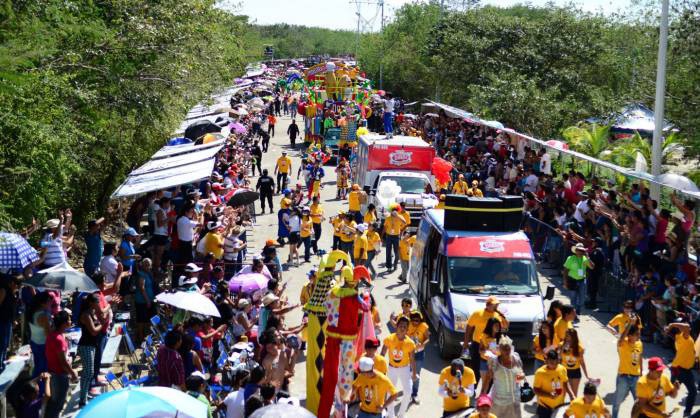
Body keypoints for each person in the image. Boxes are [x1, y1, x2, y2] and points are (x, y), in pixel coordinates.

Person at [463, 296, 509, 384]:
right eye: (494, 305)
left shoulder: (498, 315)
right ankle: (473, 388)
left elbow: (506, 326)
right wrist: (466, 342)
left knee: (491, 369)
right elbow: (469, 327)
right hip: (477, 344)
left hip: (493, 346)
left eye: (497, 305)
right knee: (475, 367)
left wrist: (502, 315)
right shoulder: (478, 313)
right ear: (488, 305)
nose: (496, 306)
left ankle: (486, 393)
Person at [480, 335, 524, 418]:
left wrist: (521, 377)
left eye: (508, 348)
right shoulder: (494, 362)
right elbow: (487, 379)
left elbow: (521, 374)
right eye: (504, 349)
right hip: (498, 401)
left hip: (514, 399)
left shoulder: (516, 358)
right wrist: (483, 395)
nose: (507, 351)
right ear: (499, 349)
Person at [381, 316, 416, 418]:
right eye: (400, 325)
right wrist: (380, 370)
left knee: (408, 391)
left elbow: (413, 360)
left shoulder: (410, 343)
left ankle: (401, 415)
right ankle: (390, 415)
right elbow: (382, 355)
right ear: (396, 326)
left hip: (405, 369)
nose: (402, 328)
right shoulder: (389, 339)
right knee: (390, 393)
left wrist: (413, 374)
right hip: (391, 369)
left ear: (407, 329)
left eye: (405, 327)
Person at [44, 311, 77, 418]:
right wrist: (73, 373)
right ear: (63, 323)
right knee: (57, 404)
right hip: (59, 375)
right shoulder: (59, 339)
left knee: (54, 403)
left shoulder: (52, 335)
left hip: (53, 372)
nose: (70, 321)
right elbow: (63, 363)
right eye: (69, 319)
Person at [76, 293, 102, 406]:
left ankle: (85, 394)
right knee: (88, 372)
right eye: (97, 302)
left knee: (89, 373)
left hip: (92, 345)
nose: (99, 304)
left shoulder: (92, 312)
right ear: (91, 303)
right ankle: (82, 400)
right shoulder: (86, 315)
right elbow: (93, 331)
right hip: (86, 346)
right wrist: (103, 323)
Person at [611, 325, 642, 418]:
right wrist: (629, 324)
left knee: (640, 403)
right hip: (623, 378)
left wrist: (641, 371)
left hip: (636, 377)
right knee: (617, 402)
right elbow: (621, 339)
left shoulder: (639, 343)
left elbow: (640, 356)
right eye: (637, 334)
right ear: (630, 335)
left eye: (639, 333)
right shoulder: (623, 343)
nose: (639, 335)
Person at [666, 322, 695, 416]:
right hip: (680, 370)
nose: (689, 328)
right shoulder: (683, 337)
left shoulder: (680, 338)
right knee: (670, 391)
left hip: (683, 369)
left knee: (692, 391)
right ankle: (650, 403)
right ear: (680, 331)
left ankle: (687, 413)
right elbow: (686, 327)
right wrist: (672, 324)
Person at [534, 350, 574, 418]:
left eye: (556, 362)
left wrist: (571, 394)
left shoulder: (562, 369)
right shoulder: (540, 373)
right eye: (551, 363)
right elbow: (536, 390)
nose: (554, 365)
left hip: (559, 406)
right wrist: (549, 395)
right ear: (546, 361)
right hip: (544, 407)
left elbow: (565, 382)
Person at [563, 243, 594, 314]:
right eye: (578, 250)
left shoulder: (585, 259)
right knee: (573, 297)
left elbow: (592, 267)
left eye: (581, 250)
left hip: (582, 280)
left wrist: (588, 257)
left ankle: (578, 309)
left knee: (582, 298)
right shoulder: (570, 258)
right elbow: (565, 271)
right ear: (576, 250)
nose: (580, 252)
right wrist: (565, 282)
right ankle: (573, 312)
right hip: (572, 280)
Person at [27, 292, 51, 379]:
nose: (51, 302)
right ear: (42, 303)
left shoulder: (32, 311)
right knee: (43, 370)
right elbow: (48, 333)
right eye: (49, 301)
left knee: (37, 368)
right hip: (42, 345)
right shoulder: (43, 315)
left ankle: (34, 388)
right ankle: (41, 390)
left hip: (34, 342)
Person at [558, 328, 589, 398]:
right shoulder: (561, 345)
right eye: (566, 336)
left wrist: (587, 375)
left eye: (570, 337)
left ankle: (573, 408)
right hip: (564, 371)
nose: (568, 339)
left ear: (574, 337)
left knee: (574, 395)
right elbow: (558, 358)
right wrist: (562, 349)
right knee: (562, 394)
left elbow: (582, 362)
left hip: (575, 372)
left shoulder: (579, 348)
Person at [407, 311, 429, 404]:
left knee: (416, 374)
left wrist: (422, 345)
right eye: (413, 320)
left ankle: (414, 394)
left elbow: (428, 338)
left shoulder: (424, 326)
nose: (415, 322)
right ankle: (408, 392)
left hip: (419, 353)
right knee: (407, 373)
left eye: (417, 320)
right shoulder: (407, 324)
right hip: (408, 353)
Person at [134, 258, 155, 343]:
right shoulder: (141, 274)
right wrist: (148, 300)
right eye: (146, 264)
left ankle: (146, 336)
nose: (148, 266)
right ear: (142, 265)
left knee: (147, 319)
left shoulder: (148, 274)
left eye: (149, 265)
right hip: (142, 301)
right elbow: (142, 288)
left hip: (148, 300)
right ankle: (140, 337)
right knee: (141, 320)